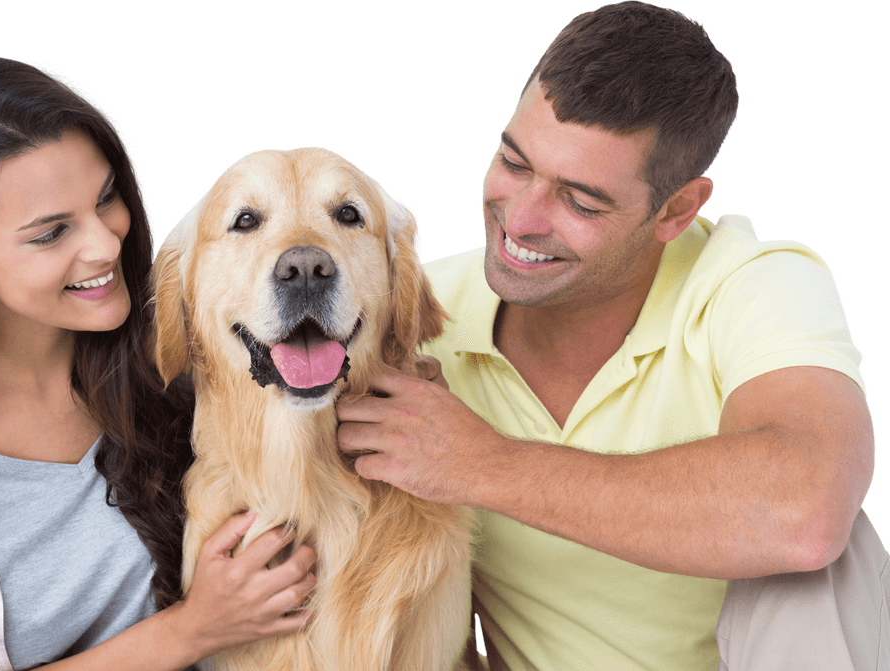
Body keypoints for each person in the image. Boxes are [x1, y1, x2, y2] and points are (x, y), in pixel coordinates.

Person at [336, 2, 887, 670]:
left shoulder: (753, 282)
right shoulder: (417, 316)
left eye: (581, 201)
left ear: (676, 209)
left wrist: (481, 462)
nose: (523, 218)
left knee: (826, 545)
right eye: (513, 162)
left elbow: (806, 509)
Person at [0, 55, 316, 671]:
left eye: (106, 199)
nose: (106, 245)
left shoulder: (198, 345)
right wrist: (192, 629)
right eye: (51, 233)